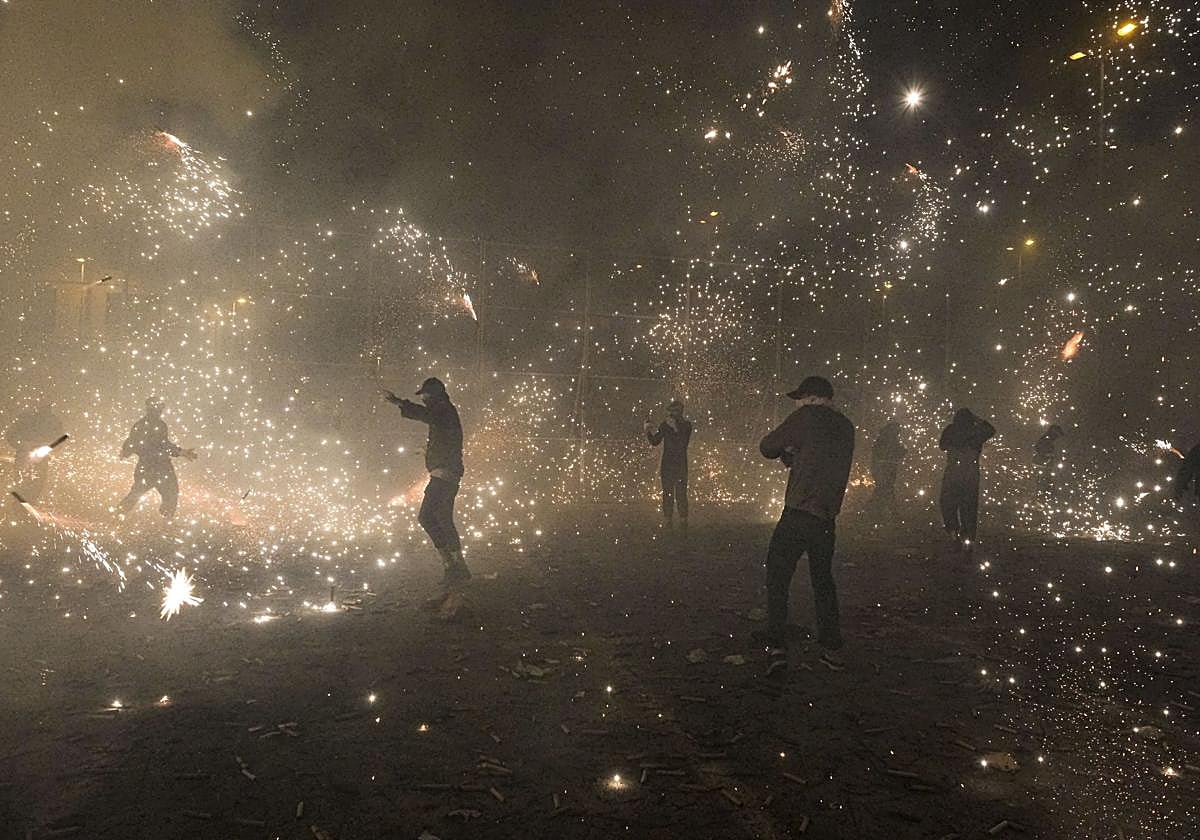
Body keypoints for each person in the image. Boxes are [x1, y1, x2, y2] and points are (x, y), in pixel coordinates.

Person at [755, 376, 855, 671]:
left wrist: (788, 451)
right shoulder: (845, 426)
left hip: (798, 513)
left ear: (812, 398)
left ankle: (777, 647)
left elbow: (767, 447)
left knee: (778, 575)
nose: (797, 403)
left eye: (800, 398)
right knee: (823, 581)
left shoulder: (805, 417)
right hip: (827, 516)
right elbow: (821, 458)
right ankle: (832, 648)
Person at [385, 377, 469, 583]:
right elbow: (445, 438)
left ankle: (452, 565)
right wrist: (428, 451)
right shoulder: (445, 411)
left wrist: (399, 402)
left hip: (444, 475)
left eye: (424, 394)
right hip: (446, 473)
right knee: (442, 518)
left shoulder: (442, 410)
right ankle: (457, 567)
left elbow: (425, 415)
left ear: (433, 394)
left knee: (427, 517)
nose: (422, 398)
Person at [120, 398, 196, 519]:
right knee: (171, 492)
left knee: (137, 492)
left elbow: (131, 442)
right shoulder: (159, 425)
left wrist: (125, 452)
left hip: (146, 466)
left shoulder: (140, 425)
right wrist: (181, 452)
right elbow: (163, 444)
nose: (160, 411)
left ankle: (119, 513)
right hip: (161, 467)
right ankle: (166, 519)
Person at [938, 408, 996, 545]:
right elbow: (991, 430)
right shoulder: (976, 431)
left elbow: (942, 446)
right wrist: (977, 419)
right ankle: (968, 538)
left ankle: (954, 533)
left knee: (948, 503)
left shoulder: (951, 430)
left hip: (953, 472)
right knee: (969, 507)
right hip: (970, 474)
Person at [645, 399, 693, 528]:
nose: (671, 415)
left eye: (673, 412)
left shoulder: (686, 426)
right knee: (668, 492)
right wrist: (648, 431)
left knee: (681, 493)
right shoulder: (665, 425)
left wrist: (675, 428)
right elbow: (655, 441)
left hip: (679, 465)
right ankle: (668, 519)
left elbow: (683, 444)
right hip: (669, 464)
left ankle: (682, 519)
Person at [6, 403, 65, 503]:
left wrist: (49, 447)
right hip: (24, 451)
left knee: (39, 479)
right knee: (20, 475)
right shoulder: (25, 418)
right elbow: (11, 434)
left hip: (41, 452)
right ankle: (20, 496)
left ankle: (30, 499)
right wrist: (21, 444)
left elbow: (59, 439)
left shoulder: (54, 421)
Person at [868, 422, 906, 515]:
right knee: (885, 488)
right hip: (885, 467)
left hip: (886, 467)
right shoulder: (888, 440)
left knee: (884, 488)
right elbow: (892, 453)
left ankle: (876, 510)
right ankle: (884, 510)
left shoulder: (883, 439)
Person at [1034, 425, 1064, 491]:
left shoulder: (1048, 441)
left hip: (1045, 468)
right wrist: (1048, 456)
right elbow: (1039, 451)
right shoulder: (1046, 440)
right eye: (1056, 435)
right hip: (1042, 468)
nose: (1057, 438)